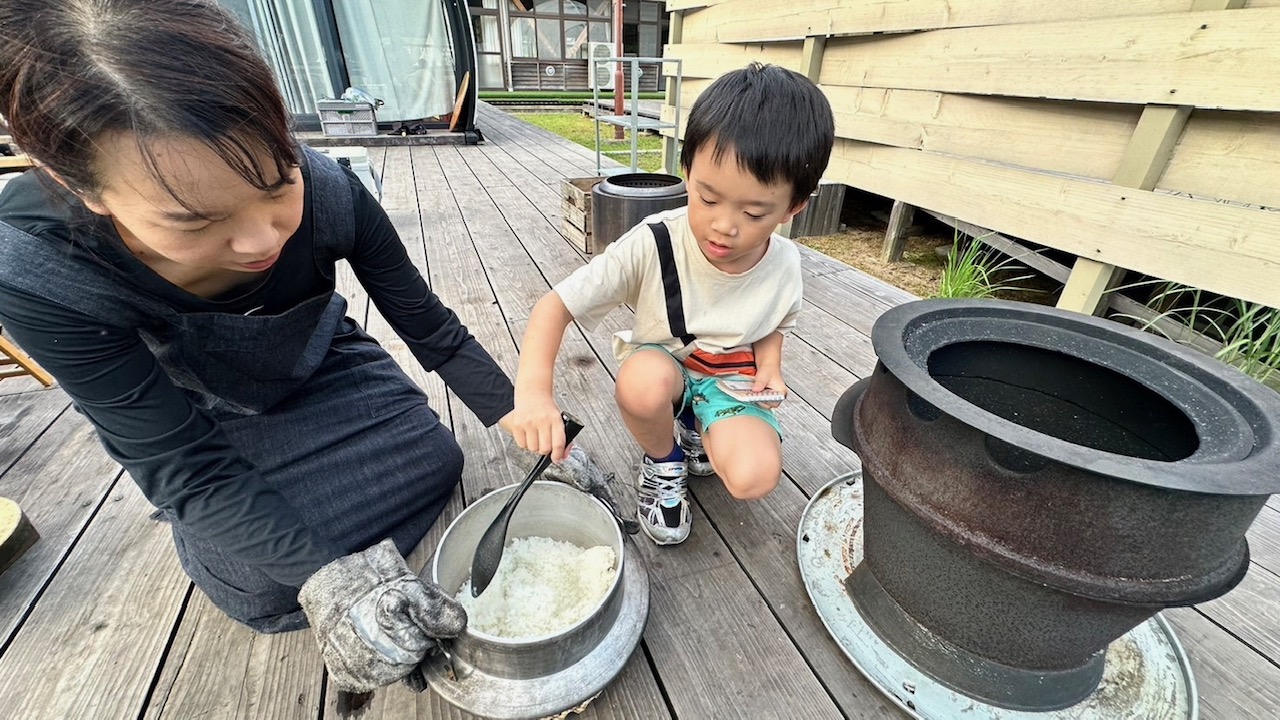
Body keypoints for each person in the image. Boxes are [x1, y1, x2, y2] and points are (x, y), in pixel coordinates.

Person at [0, 0, 512, 693]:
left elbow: (428, 325)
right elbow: (181, 464)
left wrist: (531, 425)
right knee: (258, 582)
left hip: (321, 359)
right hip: (200, 419)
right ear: (74, 183)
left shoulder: (331, 190)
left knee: (436, 457)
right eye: (194, 221)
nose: (261, 240)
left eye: (277, 184)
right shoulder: (40, 271)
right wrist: (330, 581)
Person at [508, 63, 835, 545]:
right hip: (668, 369)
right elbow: (554, 306)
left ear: (793, 207)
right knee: (642, 382)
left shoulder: (784, 261)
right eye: (707, 197)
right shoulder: (655, 241)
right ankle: (665, 460)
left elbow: (774, 321)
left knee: (753, 478)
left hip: (732, 382)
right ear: (687, 173)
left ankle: (702, 426)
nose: (724, 226)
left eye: (753, 212)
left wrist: (771, 367)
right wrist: (533, 394)